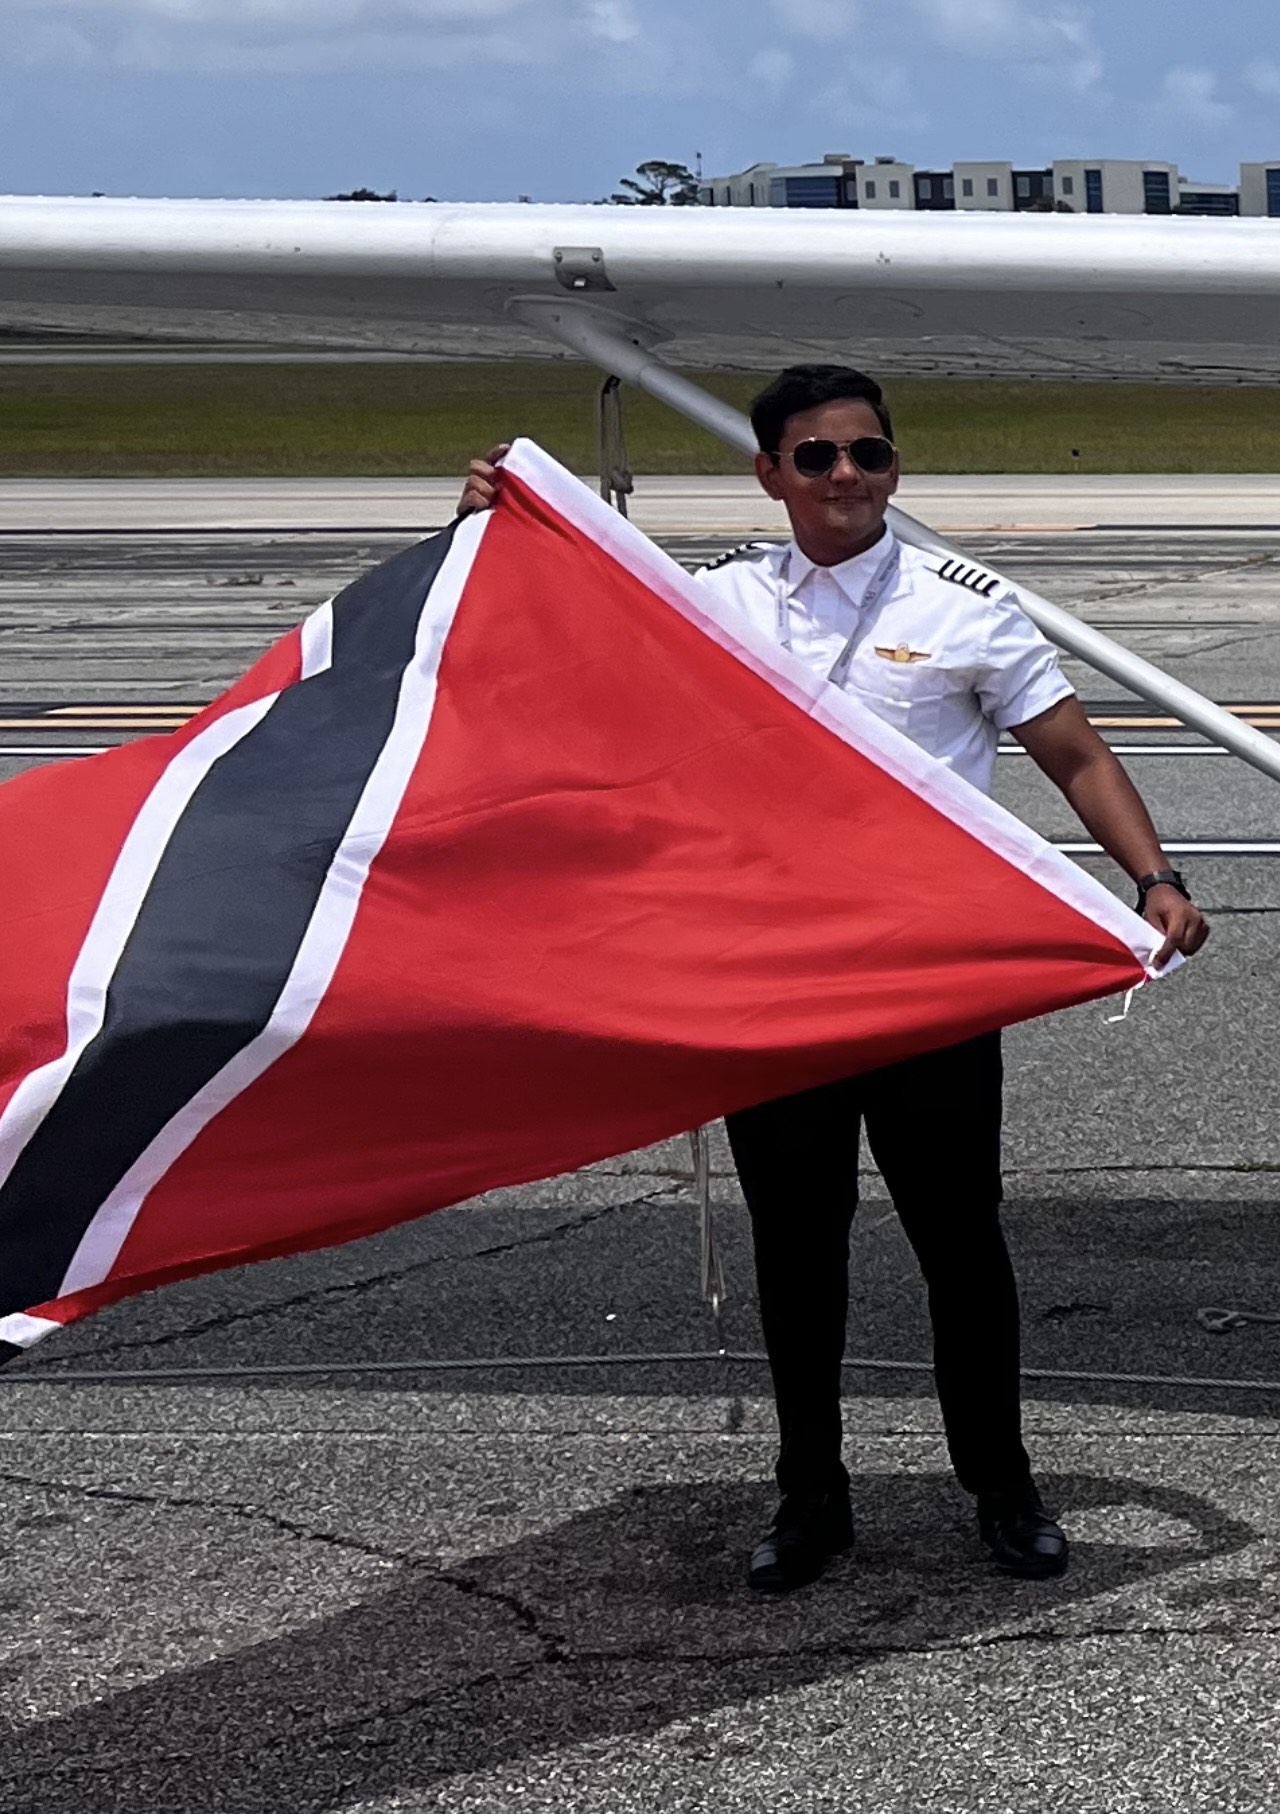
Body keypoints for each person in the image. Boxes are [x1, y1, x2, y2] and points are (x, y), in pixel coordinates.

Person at [457, 364, 1209, 1594]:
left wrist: (1153, 875)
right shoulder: (714, 603)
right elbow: (558, 642)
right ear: (768, 473)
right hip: (780, 987)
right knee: (795, 1248)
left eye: (867, 452)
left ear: (892, 466)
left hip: (929, 985)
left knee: (958, 1242)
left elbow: (1073, 755)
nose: (845, 475)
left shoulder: (966, 606)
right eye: (814, 457)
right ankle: (809, 1494)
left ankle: (999, 1484)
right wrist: (496, 522)